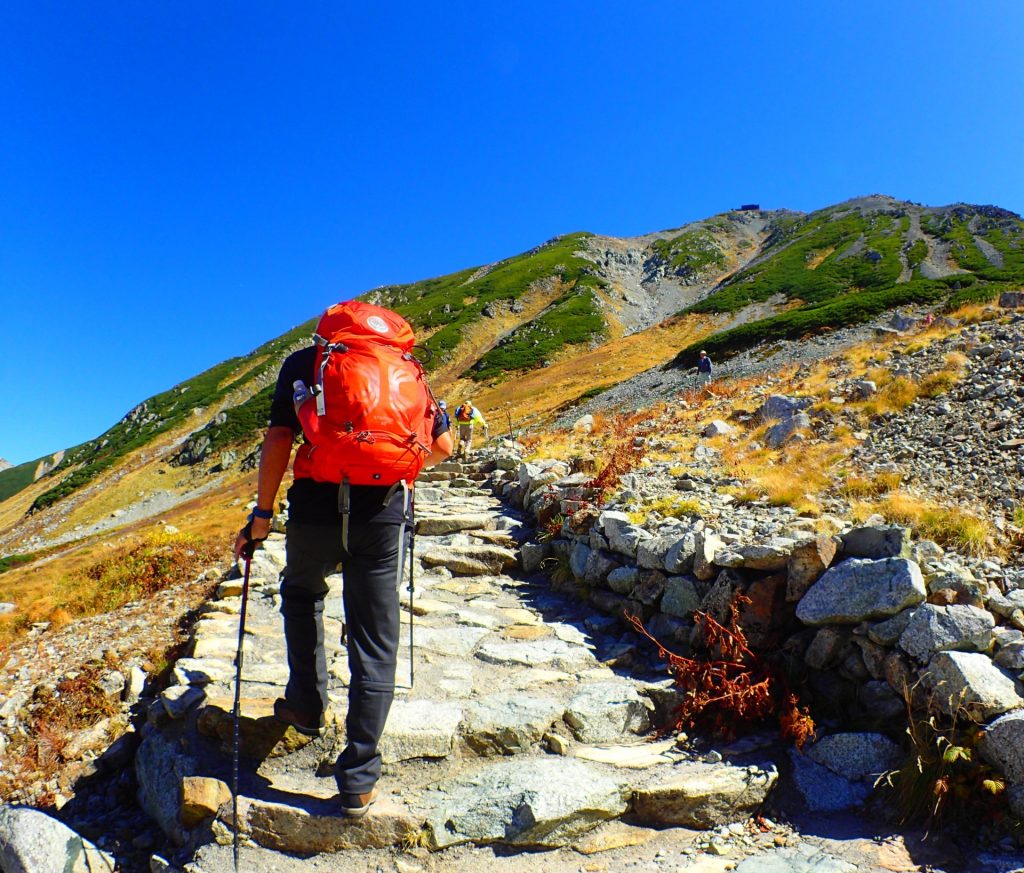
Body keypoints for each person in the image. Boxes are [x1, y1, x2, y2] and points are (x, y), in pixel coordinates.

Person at [234, 333, 453, 818]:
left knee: (302, 593)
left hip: (314, 509)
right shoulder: (404, 369)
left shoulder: (307, 362)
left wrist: (262, 514)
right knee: (376, 636)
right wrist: (386, 464)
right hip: (383, 514)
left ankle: (307, 705)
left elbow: (278, 439)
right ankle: (358, 780)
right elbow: (443, 445)